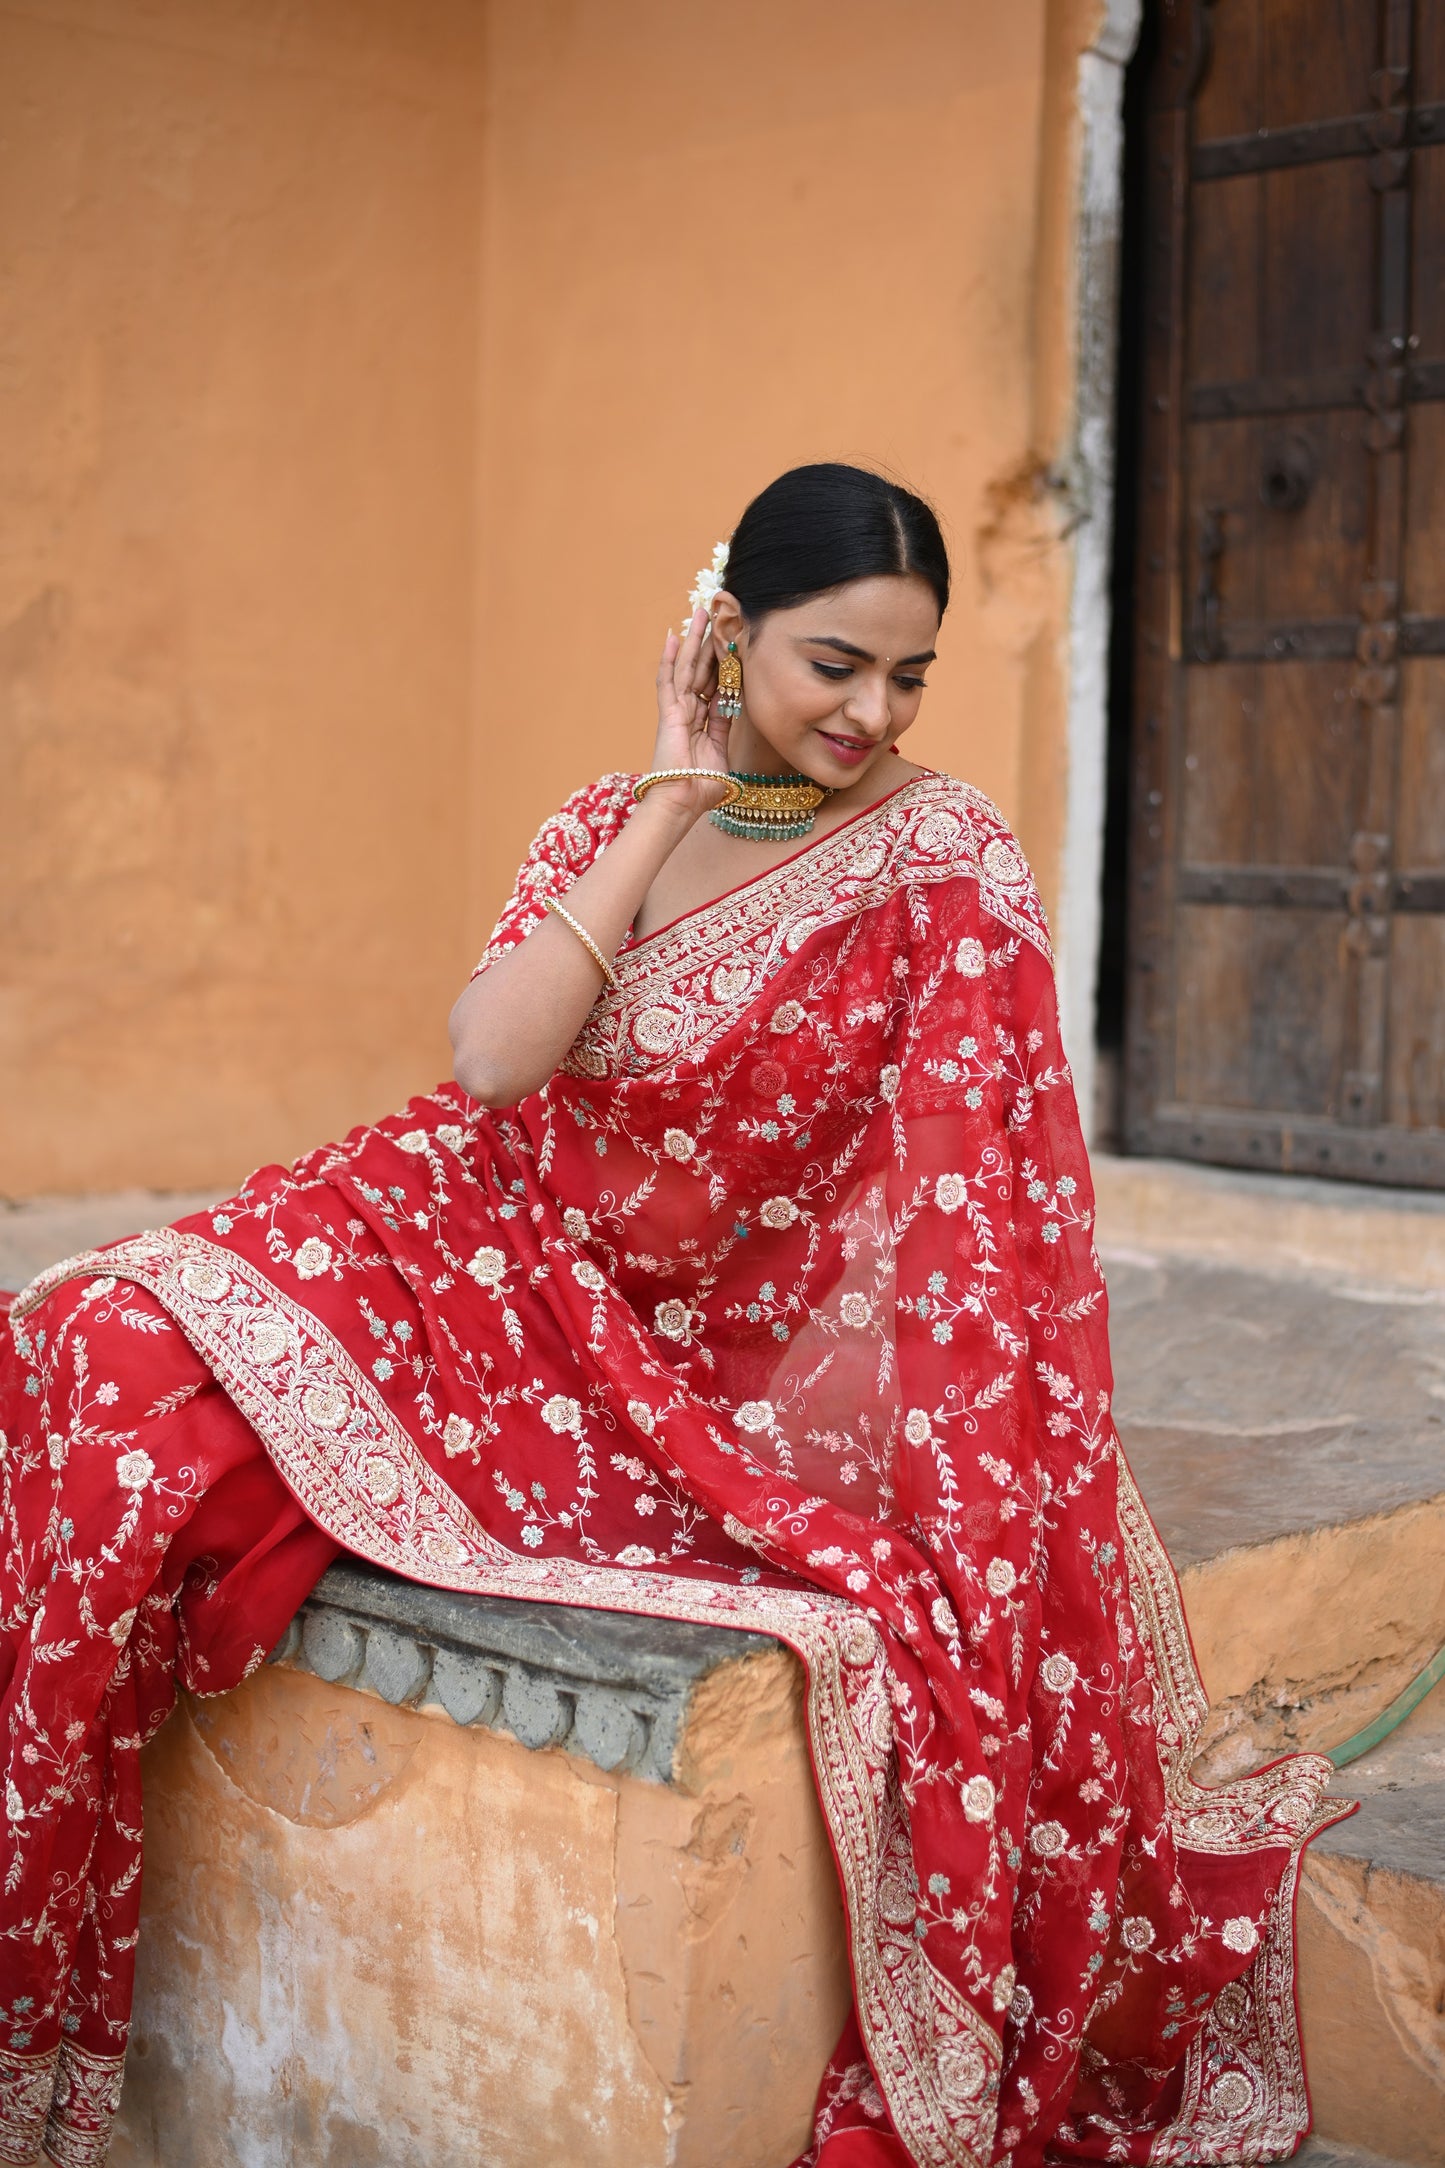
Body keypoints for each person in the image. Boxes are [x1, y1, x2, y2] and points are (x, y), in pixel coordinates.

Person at [1, 463, 1343, 2168]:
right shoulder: (606, 817)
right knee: (91, 1352)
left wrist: (937, 1477)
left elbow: (965, 1216)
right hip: (479, 1253)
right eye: (830, 663)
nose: (871, 711)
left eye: (907, 674)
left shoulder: (940, 859)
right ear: (727, 637)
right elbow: (494, 1063)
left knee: (146, 1414)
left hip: (683, 1361)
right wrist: (669, 786)